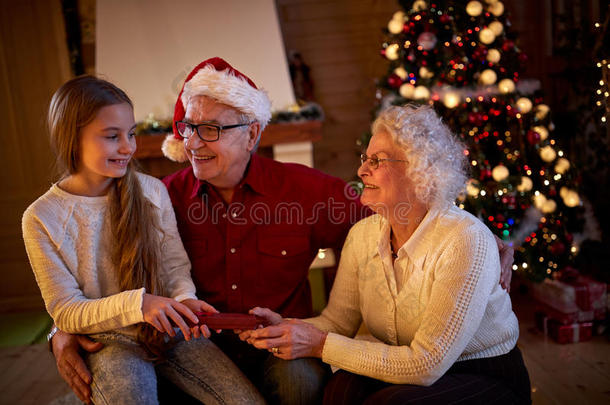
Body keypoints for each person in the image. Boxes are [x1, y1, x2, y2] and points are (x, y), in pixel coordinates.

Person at [49, 59, 516, 405]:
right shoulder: (159, 198)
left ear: (252, 134)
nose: (192, 141)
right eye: (188, 127)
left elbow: (404, 204)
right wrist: (62, 327)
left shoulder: (305, 191)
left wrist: (484, 237)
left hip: (284, 345)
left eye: (210, 129)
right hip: (195, 347)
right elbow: (95, 261)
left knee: (307, 388)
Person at [242, 104, 532, 404]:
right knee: (339, 390)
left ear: (421, 171)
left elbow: (425, 364)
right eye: (365, 159)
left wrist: (320, 345)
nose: (361, 170)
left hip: (481, 373)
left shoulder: (464, 240)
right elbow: (338, 323)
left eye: (377, 161)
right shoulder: (363, 235)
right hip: (407, 367)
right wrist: (287, 328)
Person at [22, 75, 264, 405]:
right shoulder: (41, 217)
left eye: (132, 134)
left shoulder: (152, 191)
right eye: (112, 136)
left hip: (168, 329)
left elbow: (175, 267)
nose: (128, 147)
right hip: (108, 339)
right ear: (72, 139)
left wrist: (184, 298)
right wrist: (139, 304)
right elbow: (65, 311)